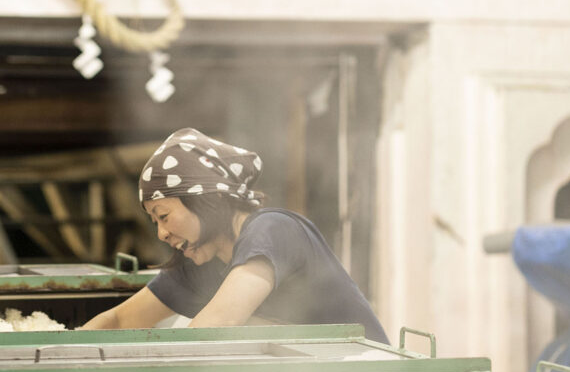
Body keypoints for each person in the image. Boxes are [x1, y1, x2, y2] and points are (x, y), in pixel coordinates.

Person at [82, 127, 388, 343]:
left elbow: (216, 325)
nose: (161, 233)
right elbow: (119, 321)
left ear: (207, 202)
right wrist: (57, 349)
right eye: (154, 222)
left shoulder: (273, 230)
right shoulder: (199, 263)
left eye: (163, 216)